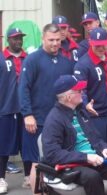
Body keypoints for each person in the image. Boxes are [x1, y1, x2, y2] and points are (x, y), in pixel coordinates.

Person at [41, 75, 107, 195]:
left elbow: (96, 138)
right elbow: (52, 154)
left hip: (95, 160)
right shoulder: (54, 119)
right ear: (68, 97)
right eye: (79, 91)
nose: (82, 92)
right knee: (92, 177)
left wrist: (104, 149)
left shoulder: (81, 111)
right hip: (73, 164)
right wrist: (85, 157)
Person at [18, 23, 74, 193]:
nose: (55, 43)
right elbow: (23, 88)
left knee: (60, 161)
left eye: (58, 40)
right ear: (43, 38)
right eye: (51, 40)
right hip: (38, 121)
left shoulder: (66, 63)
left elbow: (72, 91)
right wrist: (27, 114)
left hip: (61, 121)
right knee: (38, 163)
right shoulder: (32, 59)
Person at [74, 27, 107, 153]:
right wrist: (86, 105)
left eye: (103, 45)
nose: (101, 48)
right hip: (95, 117)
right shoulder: (83, 64)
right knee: (101, 151)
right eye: (97, 46)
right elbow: (81, 90)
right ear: (91, 43)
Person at [0, 28, 31, 193]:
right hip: (5, 109)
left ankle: (28, 177)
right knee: (2, 147)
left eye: (20, 38)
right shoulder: (1, 58)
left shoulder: (29, 59)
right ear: (8, 40)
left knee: (26, 145)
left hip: (26, 111)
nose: (18, 41)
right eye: (15, 38)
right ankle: (1, 179)